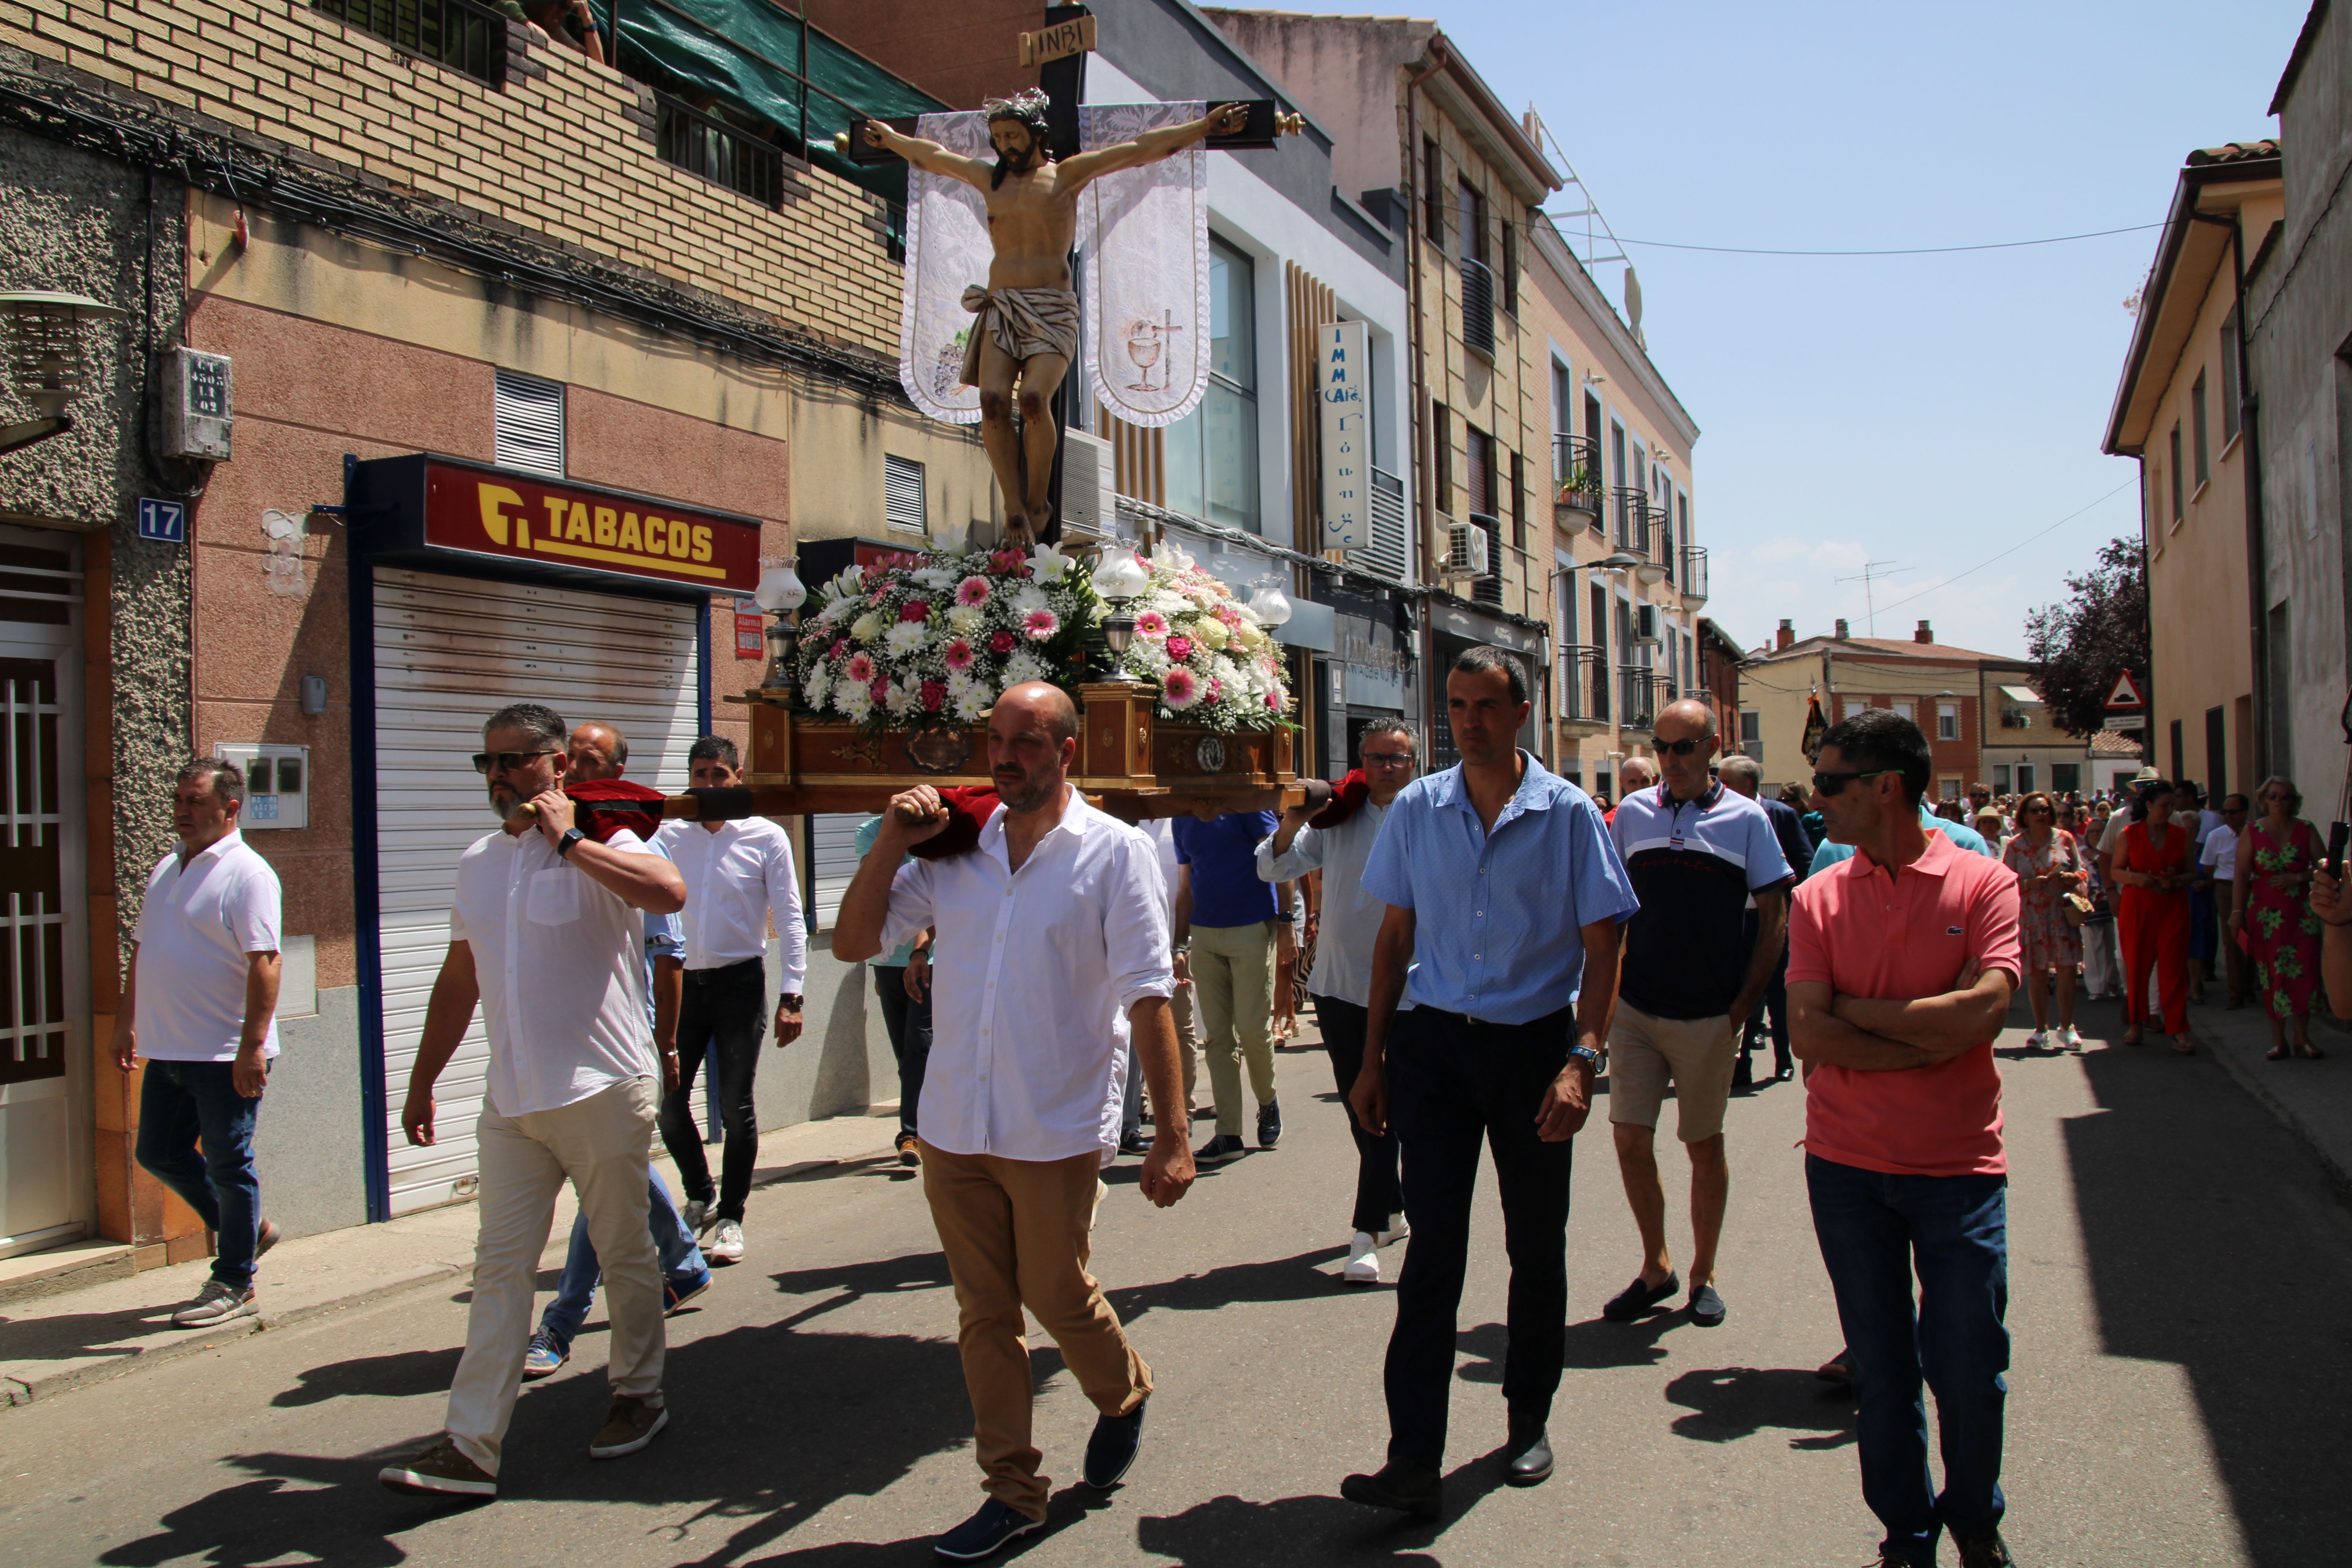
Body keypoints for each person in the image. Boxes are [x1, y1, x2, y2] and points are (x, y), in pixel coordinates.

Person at [833, 683, 1193, 1562]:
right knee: (984, 1311)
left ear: (1066, 750)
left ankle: (1123, 1391)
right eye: (994, 740)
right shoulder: (952, 849)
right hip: (953, 1118)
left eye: (1025, 742)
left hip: (1054, 1116)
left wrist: (1175, 1133)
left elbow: (1148, 994)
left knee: (1058, 1292)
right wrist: (891, 840)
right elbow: (852, 941)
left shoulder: (1113, 852)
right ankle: (1013, 1491)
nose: (1003, 756)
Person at [1338, 646, 1639, 1514]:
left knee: (1535, 1248)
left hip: (1534, 1053)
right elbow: (1394, 939)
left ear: (1521, 714)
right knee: (1432, 1254)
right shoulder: (1419, 809)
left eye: (1487, 705)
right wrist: (1373, 1059)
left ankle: (1527, 1418)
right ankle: (1413, 1460)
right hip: (1434, 1049)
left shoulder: (1571, 813)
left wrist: (1584, 1060)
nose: (1469, 719)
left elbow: (1604, 947)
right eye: (1457, 703)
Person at [381, 703, 688, 1499]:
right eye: (487, 763)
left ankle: (638, 1391)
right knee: (500, 1267)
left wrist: (570, 838)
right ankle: (470, 1440)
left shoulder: (606, 837)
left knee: (624, 1250)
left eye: (514, 760)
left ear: (557, 763)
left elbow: (668, 890)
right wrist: (421, 1081)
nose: (498, 776)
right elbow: (460, 976)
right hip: (513, 1099)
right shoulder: (480, 858)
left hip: (602, 1089)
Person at [1789, 709, 2022, 1568]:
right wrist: (1930, 1030)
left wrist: (1855, 1012)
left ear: (1886, 786)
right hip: (1846, 1168)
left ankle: (1973, 1518)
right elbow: (1806, 1034)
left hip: (1959, 1167)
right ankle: (1907, 1536)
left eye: (1829, 784)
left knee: (1968, 1368)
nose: (1817, 802)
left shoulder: (1984, 882)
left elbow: (1990, 1011)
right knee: (1883, 1374)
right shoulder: (1818, 892)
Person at [864, 96, 1249, 544]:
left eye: (1014, 136)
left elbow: (1142, 147)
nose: (1006, 145)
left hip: (1051, 309)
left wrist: (1203, 126)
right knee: (991, 400)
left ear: (1037, 136)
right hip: (1003, 306)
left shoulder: (1066, 176)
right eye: (1000, 137)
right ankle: (1013, 506)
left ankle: (1038, 501)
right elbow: (933, 157)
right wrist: (891, 140)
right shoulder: (989, 180)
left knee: (1031, 398)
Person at [523, 724, 713, 1380]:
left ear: (616, 772)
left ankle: (564, 1318)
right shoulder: (533, 840)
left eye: (591, 760)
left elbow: (668, 954)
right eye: (567, 757)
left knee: (597, 1188)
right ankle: (685, 1264)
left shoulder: (625, 839)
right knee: (616, 1175)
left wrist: (666, 1046)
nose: (572, 769)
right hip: (563, 1050)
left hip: (621, 1046)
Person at [1601, 702, 1793, 1330]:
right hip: (1635, 1008)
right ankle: (1656, 1267)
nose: (1672, 759)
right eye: (1662, 747)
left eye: (1684, 748)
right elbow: (1605, 909)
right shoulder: (1631, 814)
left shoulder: (1748, 819)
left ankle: (1704, 1274)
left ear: (1713, 747)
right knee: (1629, 1136)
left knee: (1703, 1145)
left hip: (1710, 1012)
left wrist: (1744, 1004)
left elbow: (1775, 917)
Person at [114, 759, 285, 1328]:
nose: (181, 811)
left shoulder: (248, 874)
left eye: (194, 801)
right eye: (178, 799)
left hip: (222, 1053)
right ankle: (249, 1231)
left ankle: (236, 1281)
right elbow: (144, 948)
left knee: (229, 1163)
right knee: (157, 1152)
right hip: (167, 1050)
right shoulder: (169, 867)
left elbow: (265, 964)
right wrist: (126, 1022)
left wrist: (252, 1047)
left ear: (230, 808)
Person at [1258, 719, 1417, 1285]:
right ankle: (1392, 1210)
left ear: (1413, 762)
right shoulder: (1339, 815)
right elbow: (1273, 866)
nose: (1386, 768)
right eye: (1377, 758)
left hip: (1412, 989)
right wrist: (1296, 817)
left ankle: (1364, 1231)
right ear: (1361, 760)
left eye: (1398, 758)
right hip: (1339, 984)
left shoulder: (1430, 812)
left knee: (1388, 1105)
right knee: (1362, 1104)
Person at [652, 736, 804, 1264]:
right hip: (681, 986)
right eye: (700, 774)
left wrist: (794, 992)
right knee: (670, 1106)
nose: (710, 784)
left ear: (738, 777)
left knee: (736, 1107)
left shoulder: (765, 837)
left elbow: (789, 916)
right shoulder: (669, 836)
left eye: (720, 774)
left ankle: (734, 1217)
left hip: (740, 983)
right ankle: (700, 1193)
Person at [1172, 807, 1289, 1162]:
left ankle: (1268, 1103)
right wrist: (1179, 944)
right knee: (1219, 1037)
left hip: (1251, 927)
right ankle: (1228, 1133)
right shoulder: (1182, 817)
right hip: (1204, 933)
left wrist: (1287, 924)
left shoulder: (1247, 806)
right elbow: (1186, 885)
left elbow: (1279, 861)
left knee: (1253, 1029)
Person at [1722, 754, 1810, 1084]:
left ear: (1747, 785)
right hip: (1736, 921)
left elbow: (1805, 863)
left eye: (1726, 782)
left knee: (1777, 992)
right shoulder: (1720, 815)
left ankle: (1783, 1059)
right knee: (1742, 992)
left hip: (1772, 920)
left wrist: (1786, 902)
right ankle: (1740, 1064)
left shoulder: (1781, 815)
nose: (1719, 787)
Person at [854, 813, 936, 1166]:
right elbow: (874, 892)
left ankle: (911, 1134)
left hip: (932, 957)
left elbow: (938, 900)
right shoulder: (870, 832)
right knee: (906, 1055)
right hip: (888, 960)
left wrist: (920, 950)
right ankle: (930, 1125)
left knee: (920, 1043)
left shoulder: (939, 827)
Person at [1121, 817, 1204, 1156]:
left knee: (1177, 1028)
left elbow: (1189, 886)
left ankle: (1179, 1111)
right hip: (1127, 941)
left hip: (1173, 942)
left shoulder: (1182, 821)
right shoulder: (1122, 819)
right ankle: (1129, 1117)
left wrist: (1180, 945)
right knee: (1126, 1033)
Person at [2232, 775, 2325, 1060]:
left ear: (2293, 801)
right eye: (2273, 796)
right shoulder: (2253, 831)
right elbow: (2241, 874)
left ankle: (2302, 1036)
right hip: (2266, 912)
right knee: (2272, 975)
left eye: (2284, 796)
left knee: (2304, 971)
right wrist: (2236, 913)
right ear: (2264, 799)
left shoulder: (2306, 829)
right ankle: (2278, 1040)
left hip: (2301, 913)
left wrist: (2298, 877)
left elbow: (2324, 866)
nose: (2278, 801)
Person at [2110, 777, 2196, 1053]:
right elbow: (2116, 870)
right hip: (2138, 905)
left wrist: (2178, 879)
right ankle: (2137, 1023)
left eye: (2172, 805)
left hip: (2172, 905)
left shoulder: (2181, 836)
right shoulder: (2129, 834)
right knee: (2138, 966)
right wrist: (2136, 878)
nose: (2168, 810)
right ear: (2148, 805)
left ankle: (2178, 1028)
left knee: (2173, 968)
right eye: (2163, 805)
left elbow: (2193, 873)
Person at [2001, 792, 2085, 1053]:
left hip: (2062, 913)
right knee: (2037, 973)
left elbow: (2083, 872)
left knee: (2068, 970)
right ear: (2024, 816)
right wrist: (2029, 884)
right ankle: (2041, 1029)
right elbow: (2005, 881)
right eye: (2035, 811)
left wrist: (2071, 878)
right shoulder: (2015, 846)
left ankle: (2068, 1027)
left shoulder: (2065, 839)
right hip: (2033, 917)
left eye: (2045, 810)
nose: (2041, 815)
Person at [2201, 793, 2251, 1008]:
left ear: (2245, 813)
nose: (2228, 816)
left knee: (2254, 939)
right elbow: (2208, 867)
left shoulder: (2255, 833)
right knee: (2233, 941)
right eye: (2225, 812)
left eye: (2233, 812)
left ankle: (2251, 986)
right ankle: (2236, 991)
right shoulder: (2216, 836)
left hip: (2253, 888)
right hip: (2226, 888)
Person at [2174, 781, 2217, 1003]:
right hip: (2180, 902)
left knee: (2198, 946)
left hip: (2200, 902)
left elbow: (2214, 873)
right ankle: (2182, 985)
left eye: (2194, 829)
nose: (2190, 832)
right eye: (2187, 828)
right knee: (2179, 946)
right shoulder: (2174, 852)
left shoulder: (2205, 850)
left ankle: (2196, 985)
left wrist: (2207, 884)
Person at [1608, 757, 1655, 825]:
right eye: (1633, 782)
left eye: (1645, 781)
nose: (1640, 787)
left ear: (1654, 781)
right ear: (1622, 783)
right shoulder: (1610, 822)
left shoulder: (1666, 816)